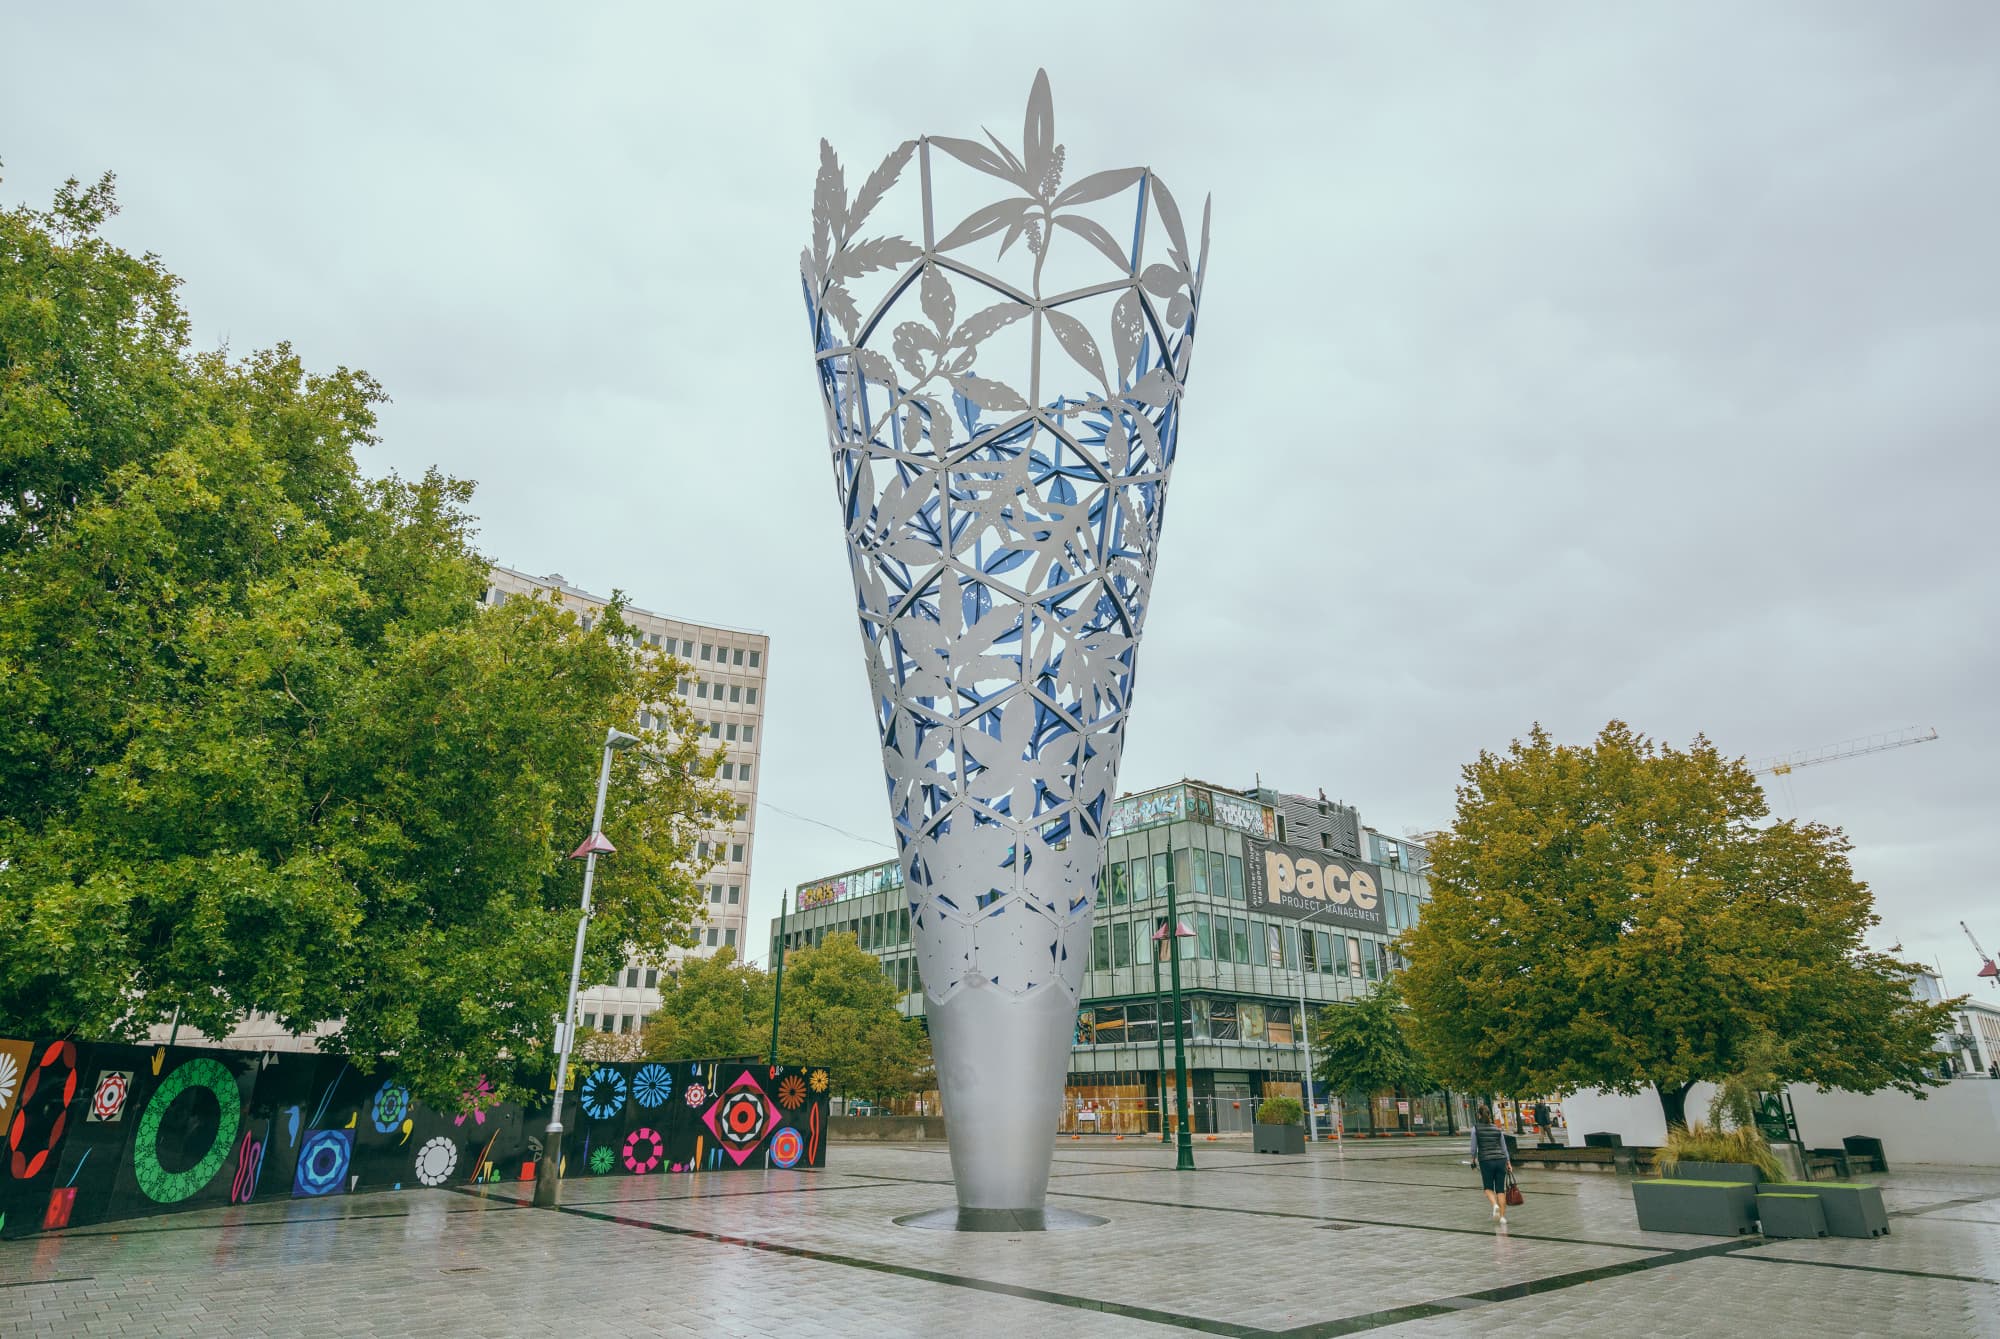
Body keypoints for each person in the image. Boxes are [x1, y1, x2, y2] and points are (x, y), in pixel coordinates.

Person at [1471, 1102, 1514, 1226]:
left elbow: (1473, 1148)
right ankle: (1502, 1217)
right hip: (1501, 1160)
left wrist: (1473, 1159)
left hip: (1486, 1161)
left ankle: (1494, 1205)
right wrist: (1508, 1162)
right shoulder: (1497, 1128)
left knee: (1488, 1188)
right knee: (1501, 1190)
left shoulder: (1475, 1129)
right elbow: (1504, 1147)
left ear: (1479, 1115)